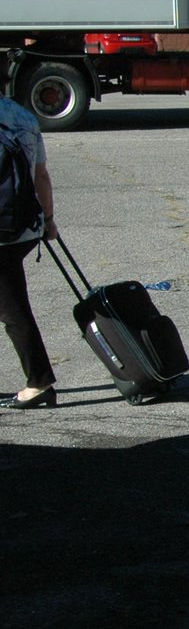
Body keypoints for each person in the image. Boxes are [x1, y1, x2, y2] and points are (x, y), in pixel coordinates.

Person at [0, 96, 58, 410]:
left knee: (14, 312)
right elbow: (41, 176)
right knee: (10, 306)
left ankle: (39, 382)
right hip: (22, 228)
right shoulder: (23, 117)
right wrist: (48, 221)